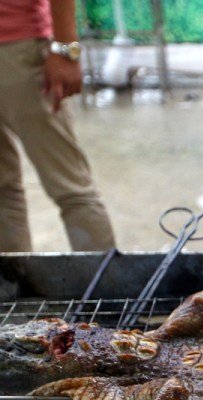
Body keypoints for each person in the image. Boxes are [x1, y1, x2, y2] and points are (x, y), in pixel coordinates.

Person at [0, 0, 116, 252]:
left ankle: (104, 288)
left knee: (71, 189)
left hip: (19, 48)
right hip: (17, 50)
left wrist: (66, 48)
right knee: (2, 192)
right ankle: (13, 287)